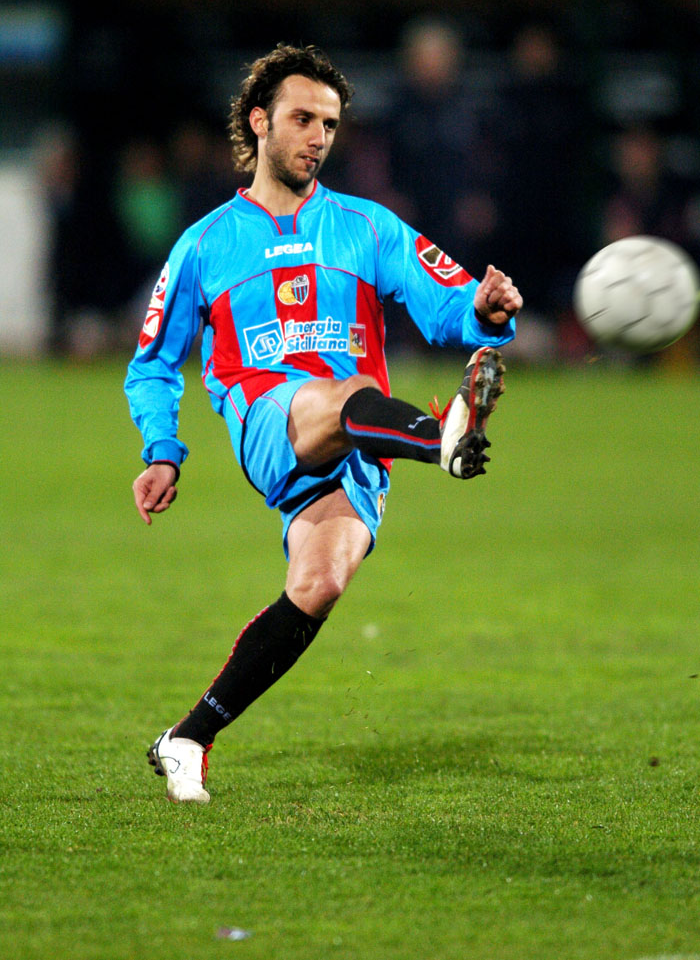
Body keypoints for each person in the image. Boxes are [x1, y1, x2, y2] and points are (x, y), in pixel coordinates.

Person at [125, 44, 523, 804]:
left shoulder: (368, 226)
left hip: (365, 440)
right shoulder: (205, 243)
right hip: (272, 419)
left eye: (331, 125)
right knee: (339, 392)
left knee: (319, 583)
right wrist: (163, 450)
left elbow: (448, 304)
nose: (318, 138)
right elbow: (152, 363)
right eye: (303, 119)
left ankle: (187, 738)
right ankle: (442, 436)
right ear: (259, 122)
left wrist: (484, 307)